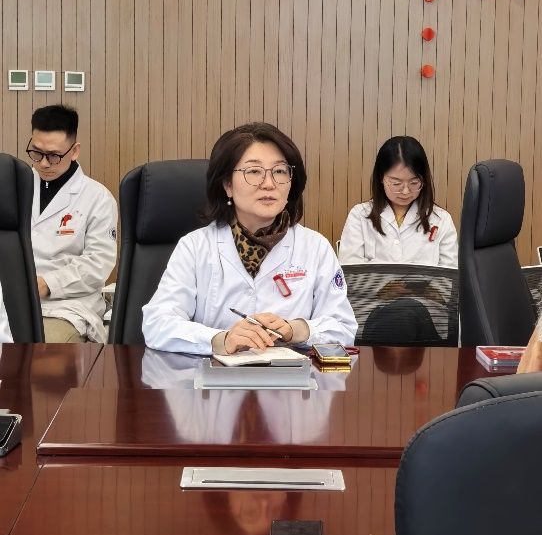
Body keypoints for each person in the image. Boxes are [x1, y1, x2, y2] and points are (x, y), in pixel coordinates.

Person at [142, 122, 358, 354]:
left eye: (280, 171)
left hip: (292, 375)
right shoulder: (195, 246)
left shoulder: (315, 247)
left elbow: (343, 328)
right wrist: (220, 339)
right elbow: (157, 323)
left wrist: (297, 330)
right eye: (254, 171)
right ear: (227, 185)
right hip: (214, 374)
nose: (269, 184)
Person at [27, 105, 118, 343]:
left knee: (42, 349)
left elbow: (98, 264)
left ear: (74, 151)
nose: (43, 163)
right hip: (10, 301)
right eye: (36, 153)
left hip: (66, 307)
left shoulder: (97, 198)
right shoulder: (14, 188)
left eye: (53, 155)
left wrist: (47, 284)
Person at [339, 136, 457, 267]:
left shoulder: (441, 219)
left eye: (414, 182)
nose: (405, 191)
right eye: (396, 183)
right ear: (381, 178)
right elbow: (350, 269)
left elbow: (450, 273)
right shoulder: (360, 215)